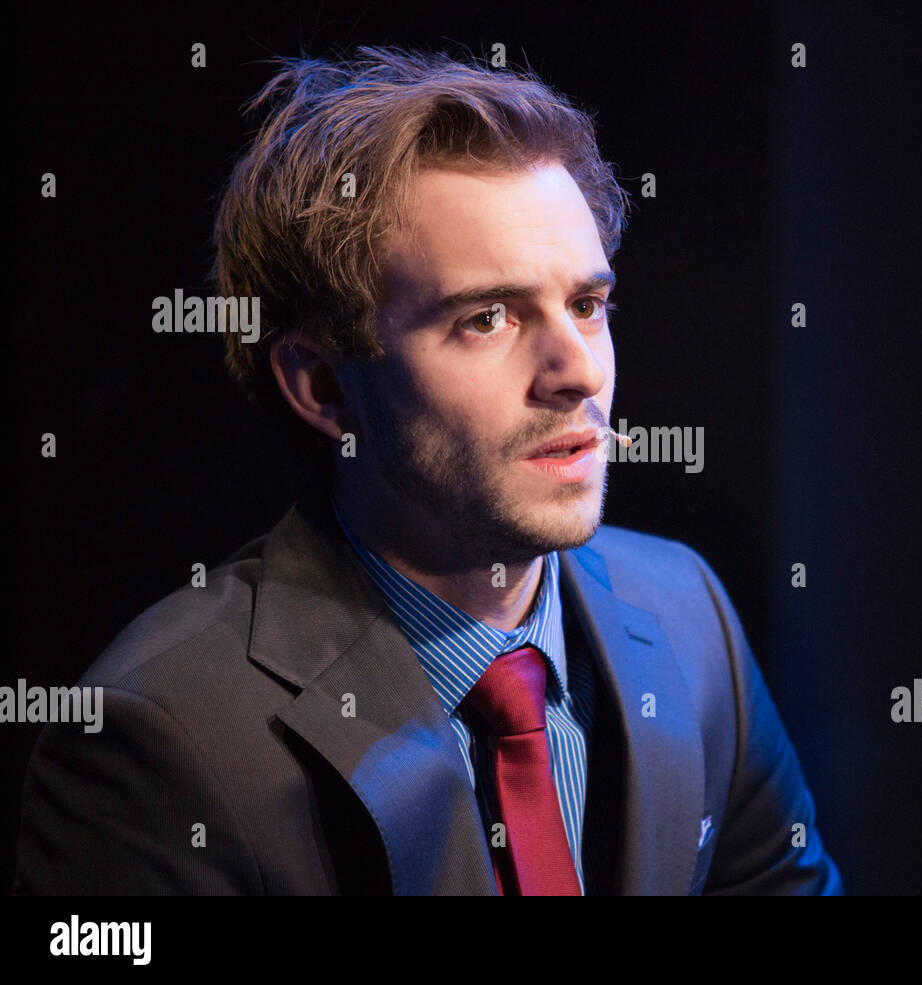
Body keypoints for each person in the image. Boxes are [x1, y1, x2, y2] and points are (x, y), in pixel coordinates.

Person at [13, 46, 843, 895]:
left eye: (588, 306)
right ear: (325, 385)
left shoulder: (688, 612)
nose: (578, 371)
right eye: (488, 316)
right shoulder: (158, 738)